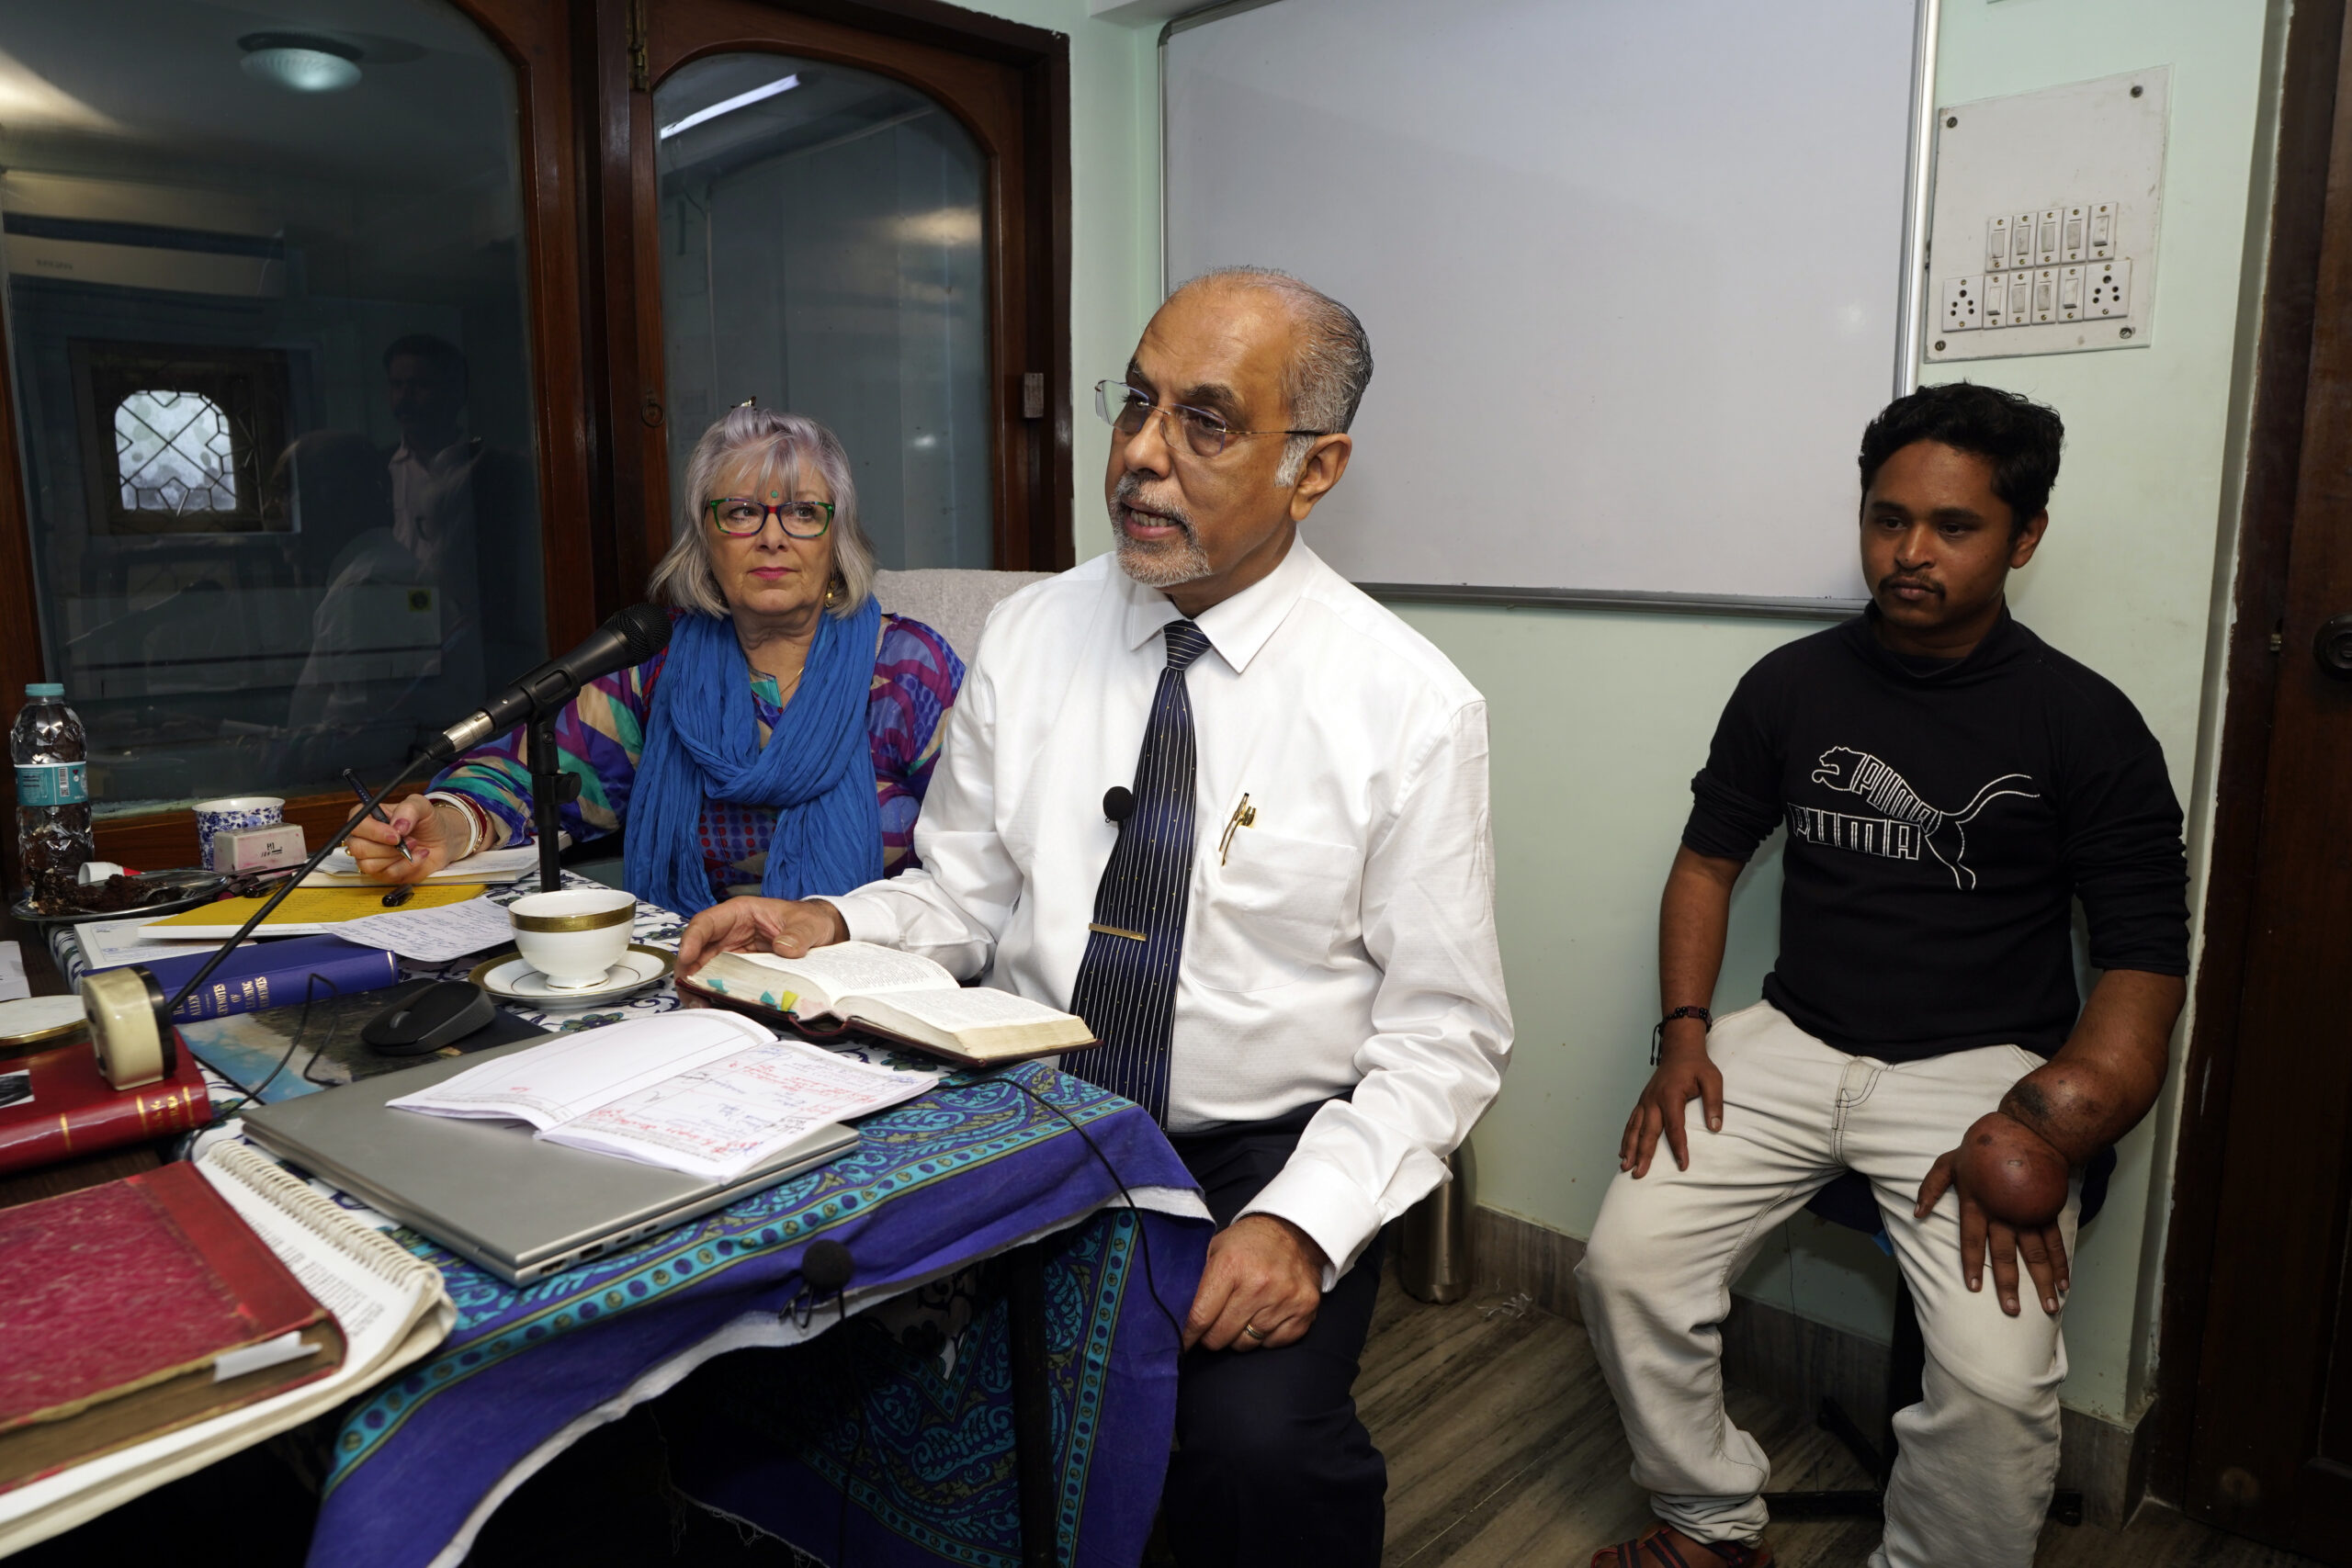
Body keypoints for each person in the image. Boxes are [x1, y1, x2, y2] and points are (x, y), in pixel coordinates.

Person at [674, 268, 1513, 1565]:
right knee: (781, 1320)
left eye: (1204, 421)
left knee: (1258, 1451)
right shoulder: (1031, 634)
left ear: (1315, 467)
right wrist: (827, 924)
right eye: (1136, 403)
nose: (1139, 455)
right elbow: (960, 892)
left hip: (1256, 1151)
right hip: (1031, 1103)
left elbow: (1444, 1035)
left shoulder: (1407, 705)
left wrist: (1301, 1222)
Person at [1578, 383, 2189, 1568]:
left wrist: (2051, 1122)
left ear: (2023, 537)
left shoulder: (2086, 724)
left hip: (1982, 1075)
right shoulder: (1789, 686)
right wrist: (1686, 1034)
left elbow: (2141, 960)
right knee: (1625, 1268)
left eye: (1953, 526)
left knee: (1997, 1382)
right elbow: (1706, 863)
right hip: (1796, 1036)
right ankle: (1708, 1521)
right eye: (1887, 518)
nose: (1910, 552)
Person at [348, 407, 964, 914]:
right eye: (742, 512)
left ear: (838, 536)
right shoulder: (659, 667)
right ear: (705, 538)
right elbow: (529, 776)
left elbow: (975, 854)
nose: (772, 537)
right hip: (698, 974)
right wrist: (446, 824)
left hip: (876, 976)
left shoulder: (909, 670)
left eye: (803, 512)